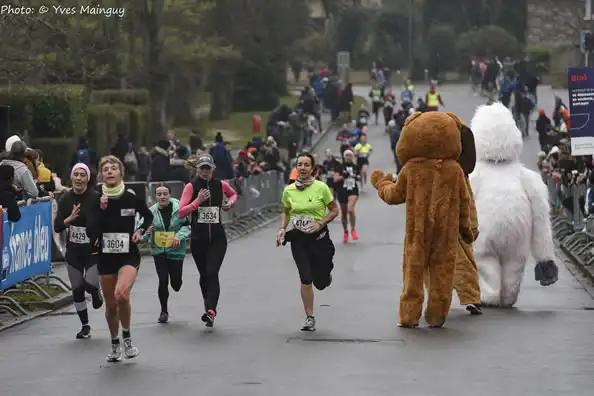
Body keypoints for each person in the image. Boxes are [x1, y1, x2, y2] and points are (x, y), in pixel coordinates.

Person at [86, 155, 153, 362]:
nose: (109, 172)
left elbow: (148, 216)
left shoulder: (131, 197)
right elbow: (90, 230)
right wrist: (100, 209)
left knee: (121, 294)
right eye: (105, 169)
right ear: (101, 175)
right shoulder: (95, 198)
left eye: (113, 168)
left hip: (128, 255)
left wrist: (140, 230)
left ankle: (127, 337)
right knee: (111, 304)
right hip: (106, 258)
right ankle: (115, 342)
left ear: (120, 173)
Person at [276, 152, 339, 331]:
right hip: (299, 240)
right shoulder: (289, 190)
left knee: (321, 282)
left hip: (320, 241)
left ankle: (325, 277)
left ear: (313, 169)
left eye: (306, 165)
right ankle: (309, 316)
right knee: (305, 278)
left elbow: (334, 211)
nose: (303, 168)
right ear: (296, 168)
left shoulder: (321, 188)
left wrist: (320, 223)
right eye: (300, 165)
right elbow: (286, 211)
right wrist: (282, 228)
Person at [178, 154, 237, 327]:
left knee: (212, 272)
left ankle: (211, 311)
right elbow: (181, 211)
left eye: (208, 168)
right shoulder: (191, 186)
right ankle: (207, 305)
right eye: (202, 168)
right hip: (198, 239)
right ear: (197, 169)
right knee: (204, 275)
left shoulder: (220, 185)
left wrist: (229, 203)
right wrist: (197, 201)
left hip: (218, 238)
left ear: (213, 169)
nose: (205, 172)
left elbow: (233, 194)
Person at [54, 163, 103, 339]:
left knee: (89, 284)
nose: (79, 178)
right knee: (76, 289)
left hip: (92, 250)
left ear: (88, 178)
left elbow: (104, 220)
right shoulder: (65, 199)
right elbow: (58, 226)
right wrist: (70, 219)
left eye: (83, 175)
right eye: (76, 174)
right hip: (74, 250)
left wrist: (100, 235)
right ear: (71, 177)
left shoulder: (95, 198)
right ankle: (85, 326)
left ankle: (96, 292)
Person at [140, 183, 191, 324]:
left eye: (165, 194)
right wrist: (145, 234)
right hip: (159, 252)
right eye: (159, 194)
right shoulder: (150, 212)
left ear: (170, 195)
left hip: (176, 251)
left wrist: (179, 236)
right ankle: (164, 311)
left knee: (176, 284)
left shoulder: (180, 209)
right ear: (155, 196)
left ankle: (177, 281)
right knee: (162, 281)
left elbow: (187, 226)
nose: (162, 197)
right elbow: (141, 232)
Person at [333, 150, 360, 244]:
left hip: (353, 190)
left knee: (350, 209)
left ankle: (353, 229)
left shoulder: (355, 166)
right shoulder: (339, 167)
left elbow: (358, 176)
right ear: (344, 157)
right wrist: (343, 176)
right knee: (344, 213)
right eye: (346, 155)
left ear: (352, 156)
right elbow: (335, 179)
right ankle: (345, 231)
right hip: (342, 191)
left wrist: (357, 177)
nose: (348, 157)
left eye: (350, 155)